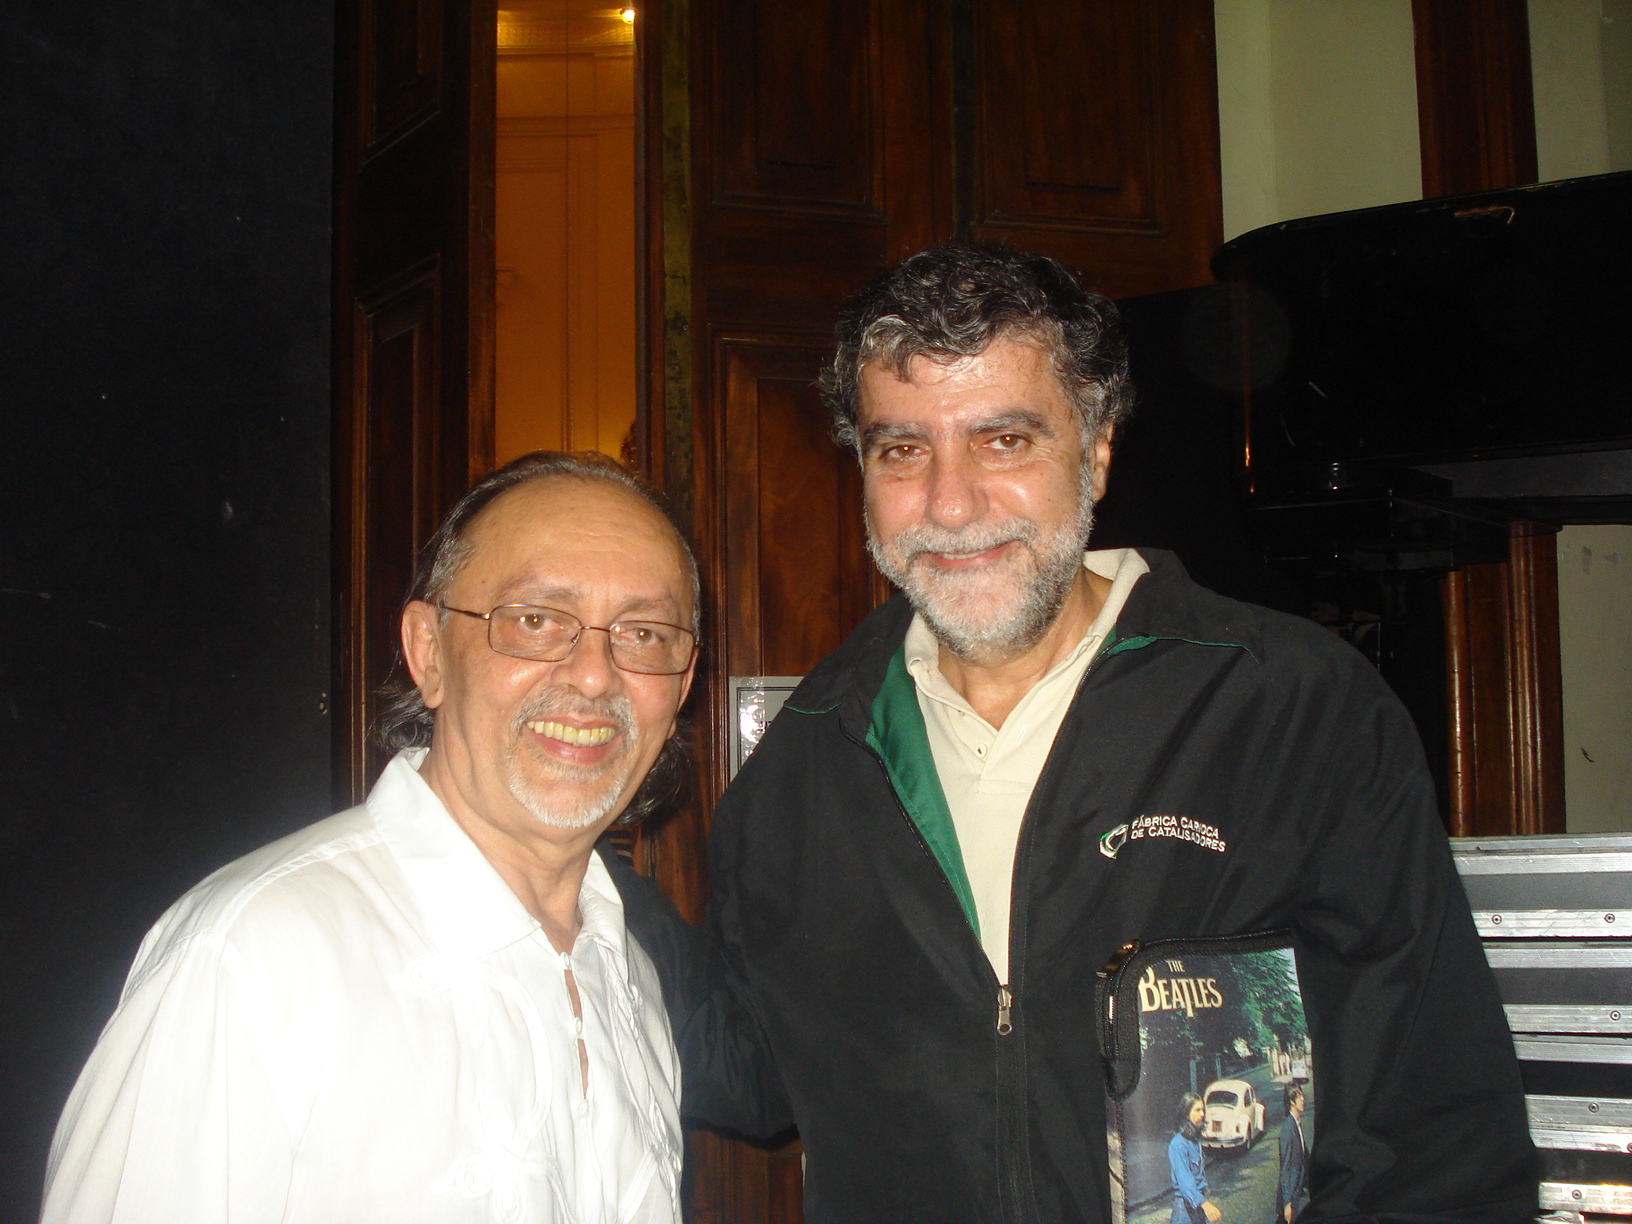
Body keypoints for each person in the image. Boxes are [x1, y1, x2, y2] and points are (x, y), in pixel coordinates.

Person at [627, 242, 1537, 1222]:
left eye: (1003, 440)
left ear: (1097, 449)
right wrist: (552, 860)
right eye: (903, 450)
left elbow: (1435, 1138)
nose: (950, 503)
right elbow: (759, 1068)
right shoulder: (807, 758)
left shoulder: (1294, 711)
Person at [42, 452, 699, 1223]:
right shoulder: (254, 956)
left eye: (644, 633)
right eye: (535, 620)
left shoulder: (627, 974)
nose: (594, 674)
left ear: (681, 687)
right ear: (429, 653)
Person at [1169, 1094, 1221, 1224]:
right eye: (1197, 1110)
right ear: (1186, 1114)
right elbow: (1185, 1182)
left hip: (1199, 1202)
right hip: (1186, 1210)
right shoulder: (1178, 1144)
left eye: (1203, 1110)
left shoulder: (1195, 1140)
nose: (1202, 1114)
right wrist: (1205, 1204)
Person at [1277, 1085, 1310, 1223]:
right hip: (1291, 1196)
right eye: (1299, 1096)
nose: (1303, 1099)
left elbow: (1304, 1157)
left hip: (1297, 1190)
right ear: (1292, 1101)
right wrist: (1287, 1204)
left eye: (1302, 1095)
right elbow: (1285, 1168)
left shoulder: (1297, 1124)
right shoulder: (1287, 1128)